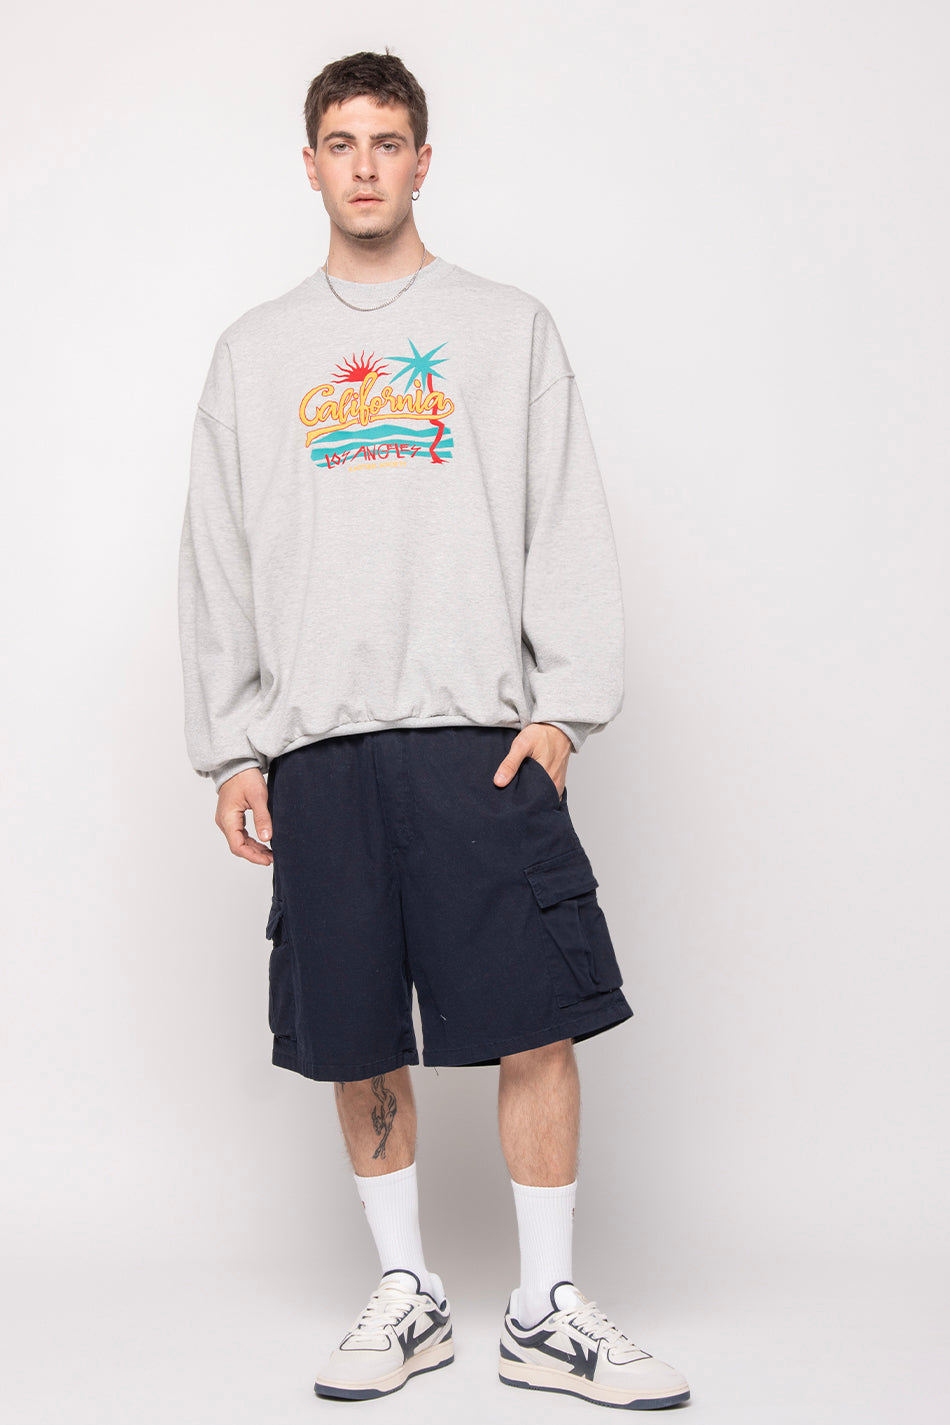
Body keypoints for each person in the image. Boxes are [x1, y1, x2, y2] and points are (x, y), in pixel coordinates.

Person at [177, 47, 690, 1412]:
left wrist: (564, 709)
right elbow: (217, 559)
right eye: (341, 142)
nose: (364, 165)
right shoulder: (252, 354)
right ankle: (406, 1291)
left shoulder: (505, 329)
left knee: (537, 1015)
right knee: (356, 1026)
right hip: (319, 744)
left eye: (387, 140)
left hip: (477, 732)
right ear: (309, 165)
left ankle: (545, 1308)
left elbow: (561, 514)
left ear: (420, 160)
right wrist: (231, 745)